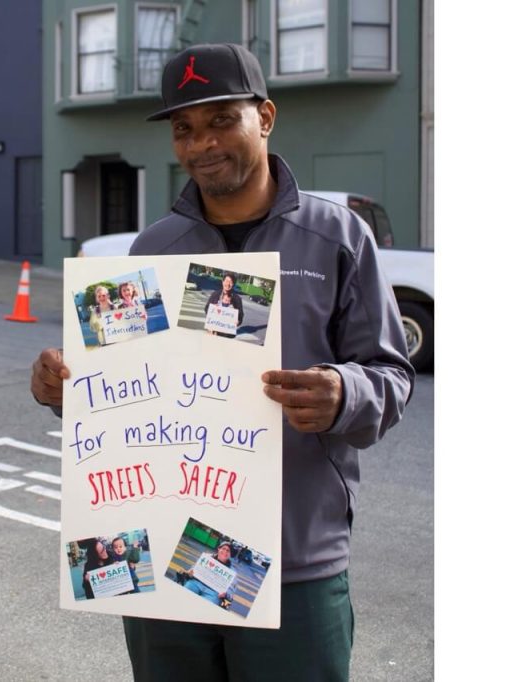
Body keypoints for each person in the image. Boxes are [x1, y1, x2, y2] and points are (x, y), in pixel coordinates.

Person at [31, 43, 414, 681]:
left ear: (264, 117)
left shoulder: (338, 236)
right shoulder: (155, 246)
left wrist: (342, 393)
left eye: (220, 121)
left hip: (294, 563)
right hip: (163, 549)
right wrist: (62, 386)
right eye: (184, 128)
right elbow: (128, 392)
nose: (201, 143)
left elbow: (392, 376)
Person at [181, 541, 235, 608]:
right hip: (196, 583)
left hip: (214, 593)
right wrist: (190, 573)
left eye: (228, 550)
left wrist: (226, 594)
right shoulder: (206, 557)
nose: (225, 551)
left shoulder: (232, 571)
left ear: (230, 554)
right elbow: (193, 568)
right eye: (223, 548)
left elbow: (231, 591)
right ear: (219, 549)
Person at [203, 271, 244, 338]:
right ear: (223, 282)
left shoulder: (237, 299)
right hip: (213, 331)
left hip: (227, 334)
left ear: (233, 284)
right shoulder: (215, 294)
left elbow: (241, 315)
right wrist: (212, 311)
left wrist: (238, 321)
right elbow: (206, 308)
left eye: (231, 282)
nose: (228, 284)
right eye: (226, 281)